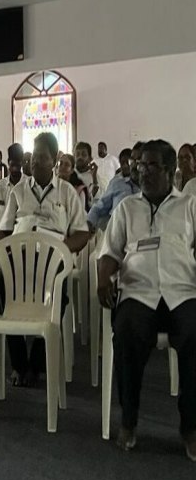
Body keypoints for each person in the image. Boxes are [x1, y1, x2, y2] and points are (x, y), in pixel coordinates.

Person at [97, 139, 196, 459]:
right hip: (138, 292)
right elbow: (109, 253)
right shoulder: (127, 208)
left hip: (183, 293)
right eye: (141, 165)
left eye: (152, 165)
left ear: (171, 171)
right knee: (126, 333)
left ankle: (191, 427)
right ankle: (128, 420)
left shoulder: (189, 207)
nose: (143, 171)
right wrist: (103, 279)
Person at [0, 132, 90, 388]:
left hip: (52, 259)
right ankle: (18, 363)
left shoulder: (67, 192)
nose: (35, 162)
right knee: (0, 285)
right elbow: (3, 231)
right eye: (33, 157)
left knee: (60, 294)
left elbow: (81, 233)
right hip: (21, 258)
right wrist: (7, 253)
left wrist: (59, 249)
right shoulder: (18, 191)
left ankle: (36, 363)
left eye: (42, 158)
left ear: (55, 160)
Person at [87, 145, 140, 232]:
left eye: (128, 162)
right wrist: (88, 222)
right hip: (117, 228)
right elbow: (100, 206)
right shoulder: (116, 182)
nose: (126, 166)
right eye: (123, 163)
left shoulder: (144, 182)